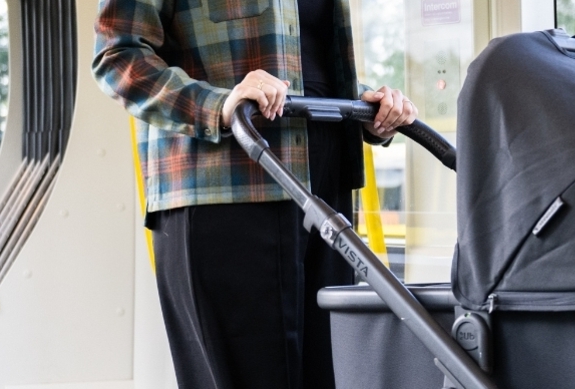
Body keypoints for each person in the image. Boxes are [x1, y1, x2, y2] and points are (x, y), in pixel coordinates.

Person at [91, 0, 418, 387]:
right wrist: (217, 105)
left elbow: (306, 65)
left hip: (327, 195)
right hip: (223, 193)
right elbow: (117, 57)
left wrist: (369, 107)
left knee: (330, 376)